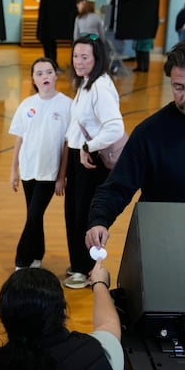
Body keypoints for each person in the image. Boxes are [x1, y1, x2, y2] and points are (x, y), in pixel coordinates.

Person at [86, 40, 185, 251]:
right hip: (161, 244)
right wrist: (99, 221)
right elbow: (117, 187)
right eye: (178, 87)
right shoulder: (150, 133)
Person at [63, 34, 124, 289]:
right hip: (81, 159)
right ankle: (80, 264)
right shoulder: (87, 83)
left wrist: (89, 146)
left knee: (84, 217)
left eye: (84, 57)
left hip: (91, 162)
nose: (78, 61)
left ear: (97, 58)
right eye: (76, 56)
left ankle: (86, 270)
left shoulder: (99, 86)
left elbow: (115, 127)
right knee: (74, 213)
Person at [9, 57, 71, 270]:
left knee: (34, 214)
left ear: (56, 74)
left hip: (49, 173)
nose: (45, 76)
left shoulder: (66, 105)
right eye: (39, 73)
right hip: (28, 170)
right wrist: (13, 171)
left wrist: (62, 176)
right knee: (34, 215)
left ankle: (22, 260)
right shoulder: (27, 105)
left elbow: (67, 145)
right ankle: (37, 254)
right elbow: (19, 139)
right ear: (33, 80)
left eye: (49, 71)